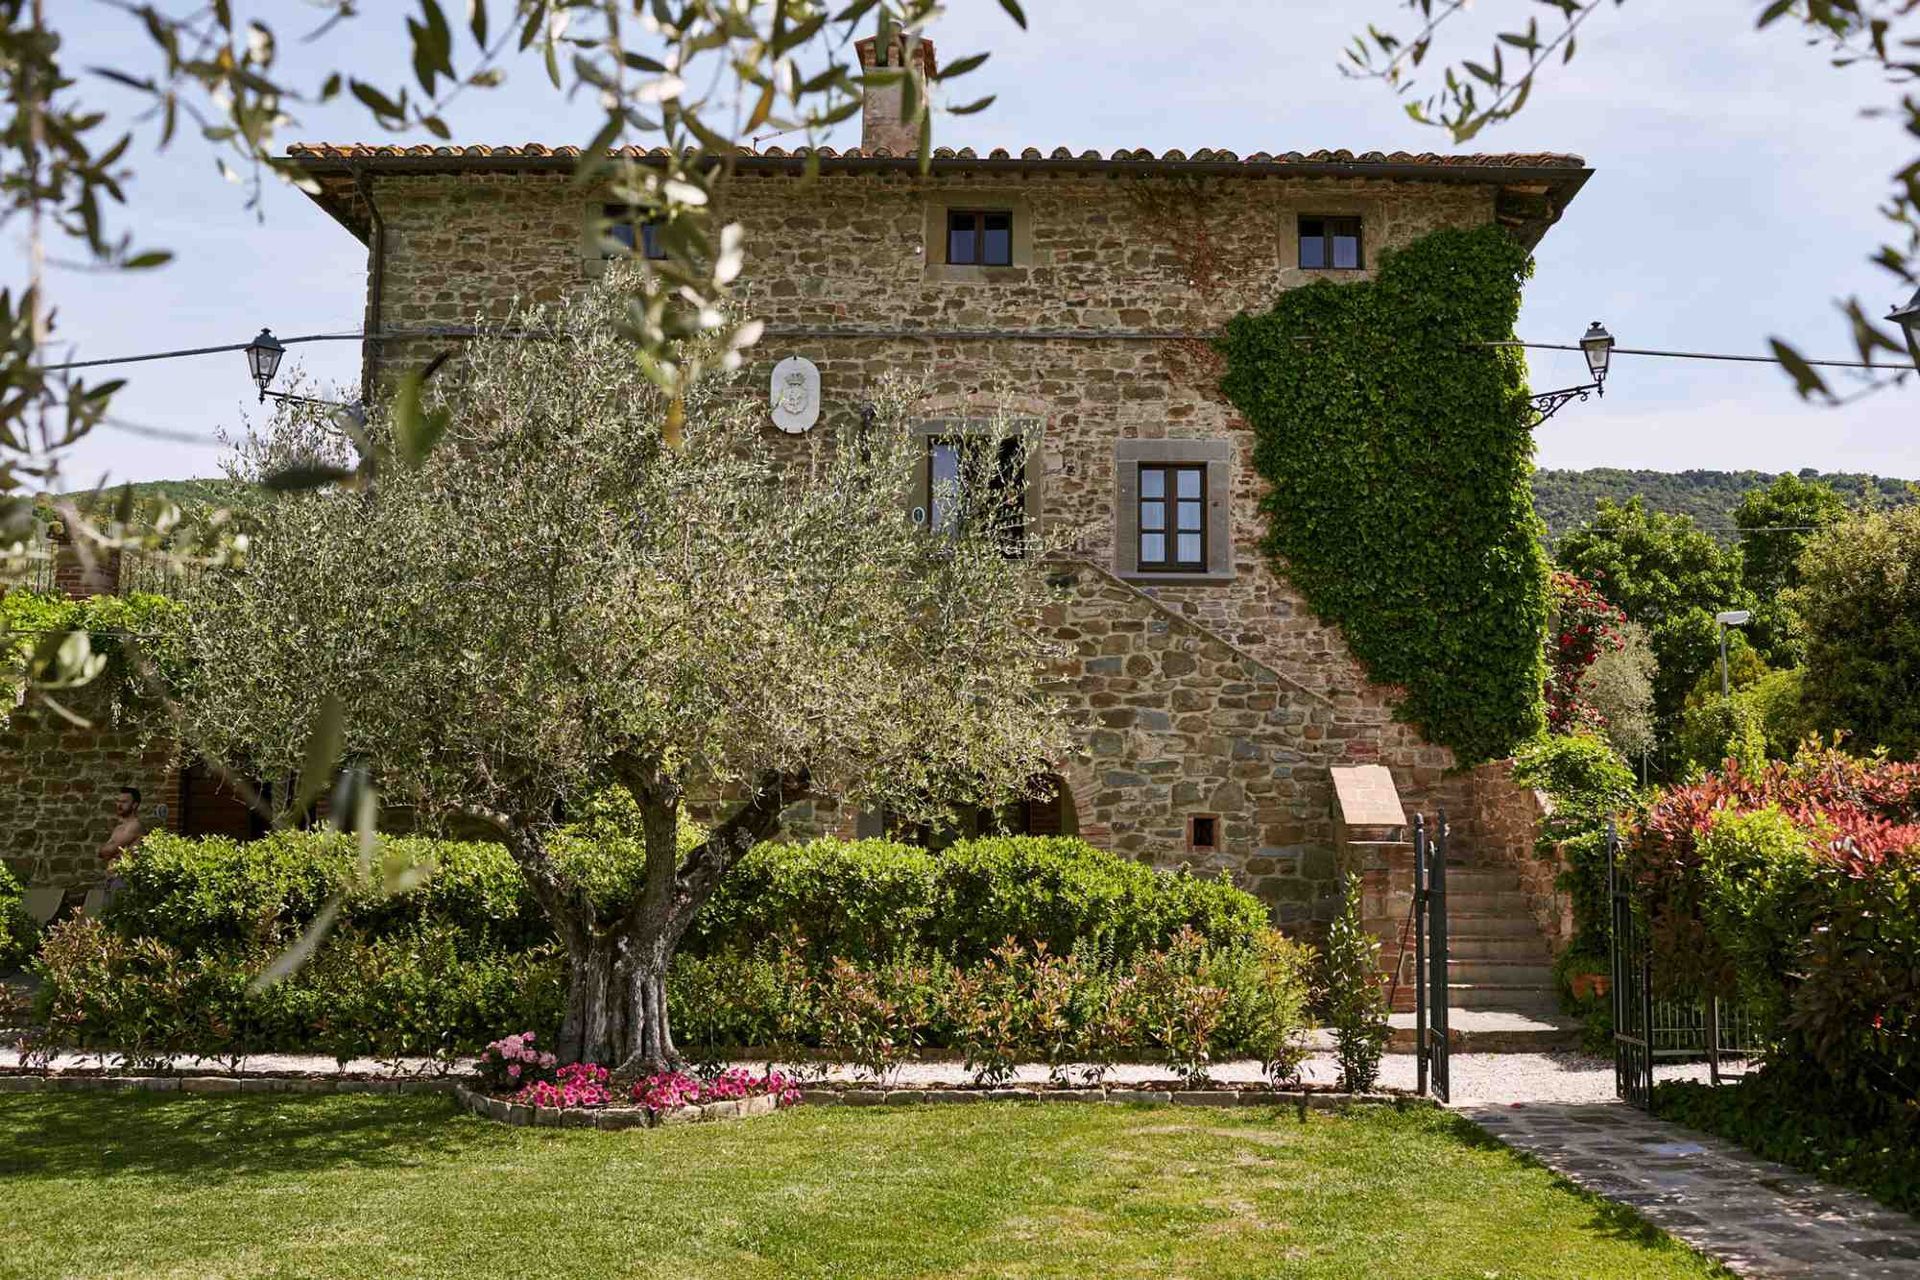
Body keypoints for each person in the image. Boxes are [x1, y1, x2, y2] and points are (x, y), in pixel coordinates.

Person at [95, 785, 145, 908]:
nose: (119, 805)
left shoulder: (134, 826)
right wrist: (111, 851)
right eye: (118, 801)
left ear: (135, 805)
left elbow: (108, 851)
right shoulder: (119, 828)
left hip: (124, 881)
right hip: (111, 880)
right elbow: (103, 853)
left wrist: (111, 850)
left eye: (124, 802)